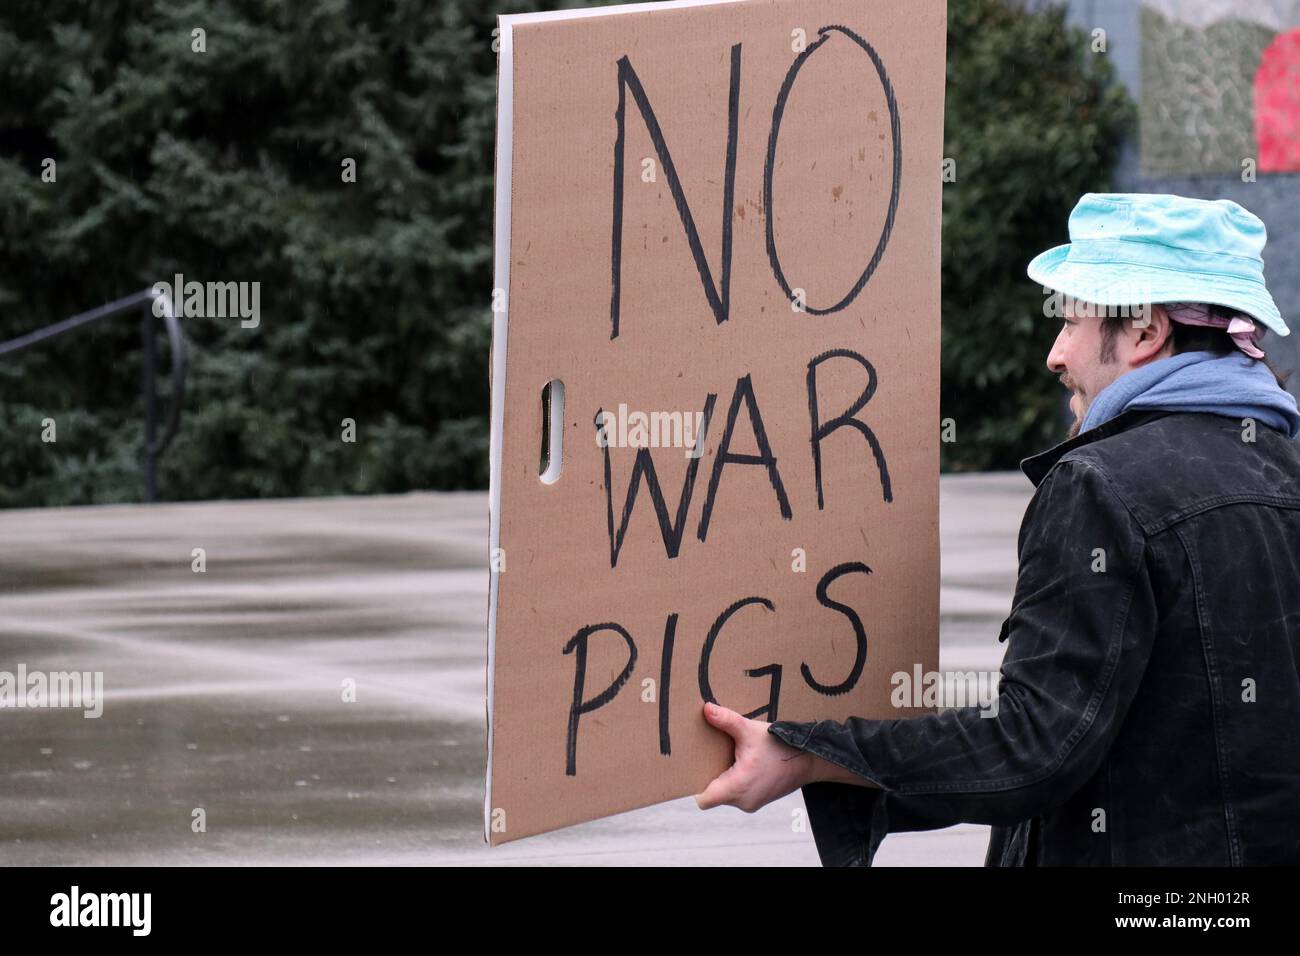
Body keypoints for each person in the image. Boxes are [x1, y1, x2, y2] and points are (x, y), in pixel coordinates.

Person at [693, 193, 1300, 866]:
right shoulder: (1286, 468)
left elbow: (1035, 745)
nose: (1055, 354)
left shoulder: (1102, 486)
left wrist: (810, 756)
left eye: (1072, 320)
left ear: (1144, 333)